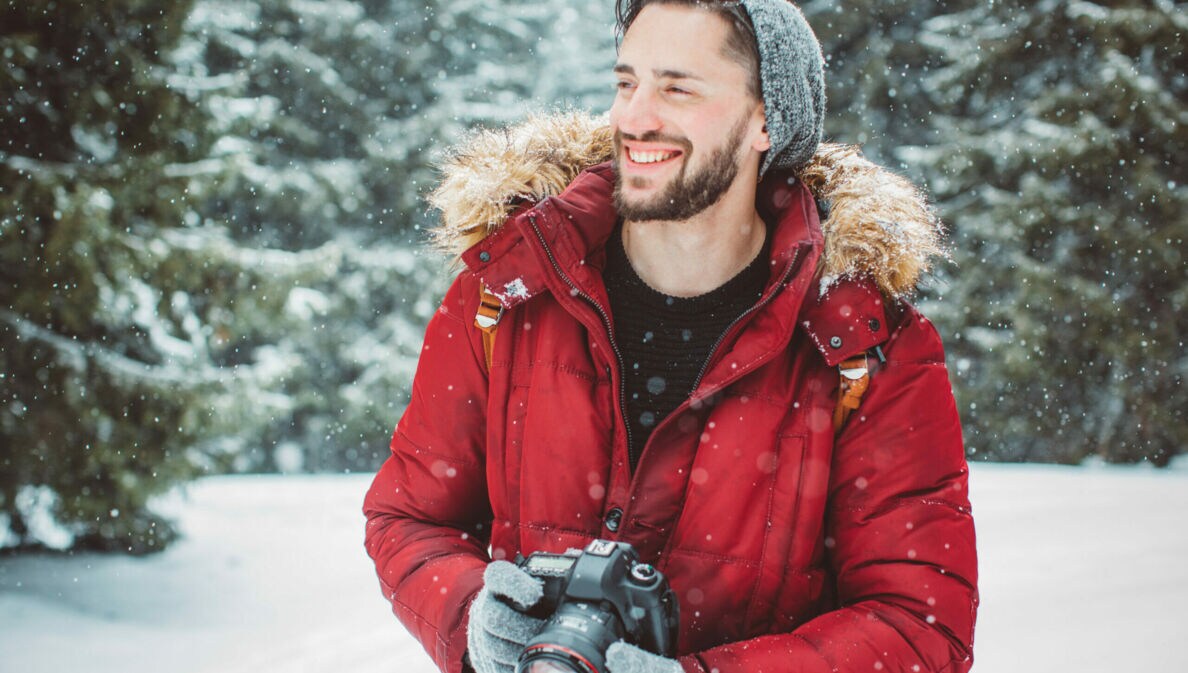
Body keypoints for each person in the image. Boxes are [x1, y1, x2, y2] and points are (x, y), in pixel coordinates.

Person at [363, 1, 978, 672]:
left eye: (677, 88)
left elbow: (919, 624)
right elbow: (409, 518)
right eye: (626, 82)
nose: (634, 116)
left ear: (766, 119)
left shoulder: (863, 347)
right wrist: (468, 609)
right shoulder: (507, 294)